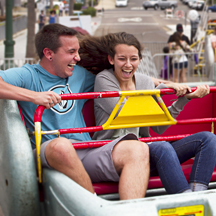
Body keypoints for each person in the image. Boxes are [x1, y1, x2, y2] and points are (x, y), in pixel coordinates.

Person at [0, 23, 150, 201]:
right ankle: (96, 208)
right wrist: (34, 96)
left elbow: (120, 75)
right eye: (71, 52)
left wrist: (161, 83)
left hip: (85, 152)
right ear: (49, 54)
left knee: (138, 149)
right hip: (50, 152)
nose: (78, 58)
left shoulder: (79, 74)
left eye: (78, 52)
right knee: (61, 146)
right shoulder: (28, 75)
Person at [78, 32, 216, 194]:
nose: (128, 64)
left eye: (133, 59)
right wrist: (161, 89)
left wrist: (185, 99)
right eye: (122, 59)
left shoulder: (144, 82)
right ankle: (184, 200)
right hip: (116, 151)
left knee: (208, 139)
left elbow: (158, 127)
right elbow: (124, 112)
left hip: (148, 150)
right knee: (162, 147)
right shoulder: (105, 79)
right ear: (111, 59)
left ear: (140, 60)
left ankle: (198, 194)